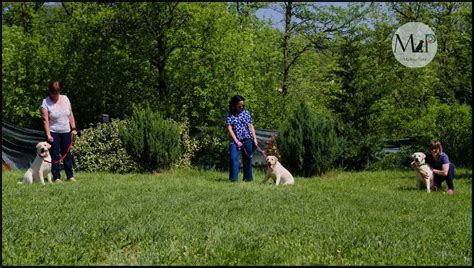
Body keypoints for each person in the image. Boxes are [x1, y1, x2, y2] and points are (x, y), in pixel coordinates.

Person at [40, 79, 78, 182]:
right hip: (53, 132)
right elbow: (45, 120)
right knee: (54, 155)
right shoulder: (45, 102)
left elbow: (70, 114)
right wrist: (48, 135)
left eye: (57, 92)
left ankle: (70, 176)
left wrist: (73, 129)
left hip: (66, 131)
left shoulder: (65, 99)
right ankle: (56, 177)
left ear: (60, 91)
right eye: (53, 92)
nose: (55, 94)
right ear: (50, 91)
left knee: (67, 154)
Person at [225, 95, 259, 182]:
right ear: (234, 105)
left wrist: (254, 139)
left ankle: (248, 179)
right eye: (239, 105)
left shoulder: (246, 113)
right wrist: (236, 141)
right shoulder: (229, 115)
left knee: (248, 159)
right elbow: (229, 128)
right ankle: (233, 179)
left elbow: (251, 125)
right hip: (234, 140)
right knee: (233, 159)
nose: (242, 107)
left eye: (243, 105)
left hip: (247, 138)